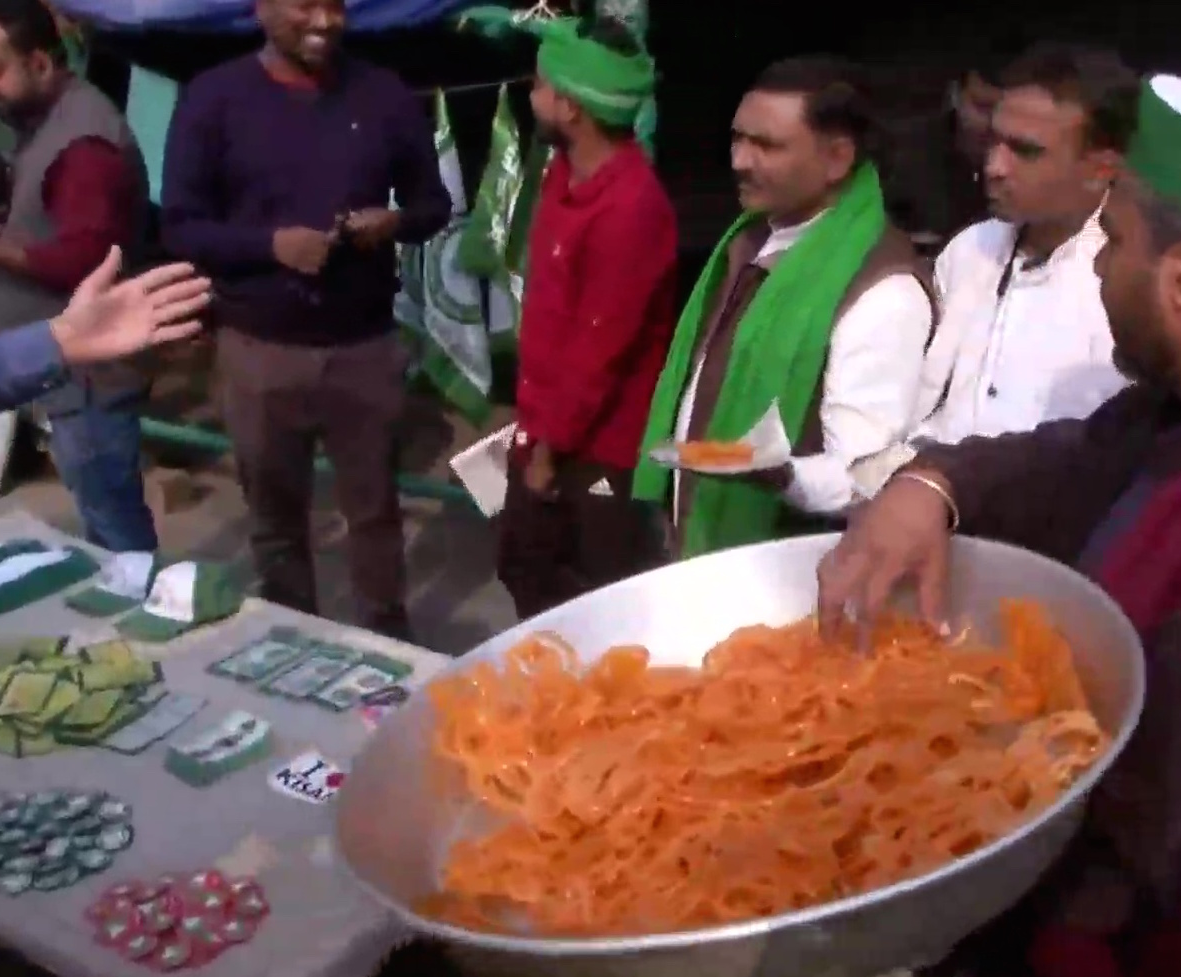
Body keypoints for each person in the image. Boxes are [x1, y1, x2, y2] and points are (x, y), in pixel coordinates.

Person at [816, 70, 1181, 977]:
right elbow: (1070, 454)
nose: (1094, 268)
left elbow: (1140, 842)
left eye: (1112, 240)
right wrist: (929, 483)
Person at [160, 0, 450, 638]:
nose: (324, 20)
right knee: (275, 522)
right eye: (304, 5)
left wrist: (394, 220)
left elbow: (434, 203)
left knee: (374, 516)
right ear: (261, 7)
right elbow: (180, 225)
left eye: (336, 5)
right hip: (260, 351)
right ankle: (297, 641)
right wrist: (271, 247)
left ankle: (389, 646)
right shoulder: (214, 99)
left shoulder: (384, 94)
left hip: (364, 349)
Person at [629, 57, 935, 559]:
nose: (739, 161)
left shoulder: (883, 290)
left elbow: (863, 475)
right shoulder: (751, 238)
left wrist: (777, 471)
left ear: (838, 158)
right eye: (737, 139)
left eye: (765, 146)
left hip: (786, 570)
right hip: (702, 542)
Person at [0, 0, 159, 553]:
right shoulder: (46, 118)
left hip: (90, 376)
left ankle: (145, 612)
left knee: (114, 526)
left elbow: (82, 264)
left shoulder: (86, 144)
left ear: (42, 64)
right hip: (64, 367)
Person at [859, 45, 1140, 493]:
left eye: (1025, 151)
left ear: (1101, 168)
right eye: (993, 142)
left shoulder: (1130, 280)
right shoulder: (972, 248)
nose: (993, 167)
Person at [494, 15, 678, 620]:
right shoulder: (563, 174)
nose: (532, 93)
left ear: (570, 108)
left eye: (542, 84)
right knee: (523, 569)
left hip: (596, 449)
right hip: (546, 427)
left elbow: (600, 351)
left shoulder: (631, 207)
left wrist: (547, 455)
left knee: (596, 603)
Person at [0, 248, 210, 460]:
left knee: (104, 486)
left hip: (84, 369)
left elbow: (75, 256)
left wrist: (59, 339)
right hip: (49, 361)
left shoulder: (88, 160)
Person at [881, 33, 1025, 249]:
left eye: (1008, 112)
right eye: (982, 107)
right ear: (955, 95)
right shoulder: (902, 157)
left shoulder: (1039, 161)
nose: (995, 123)